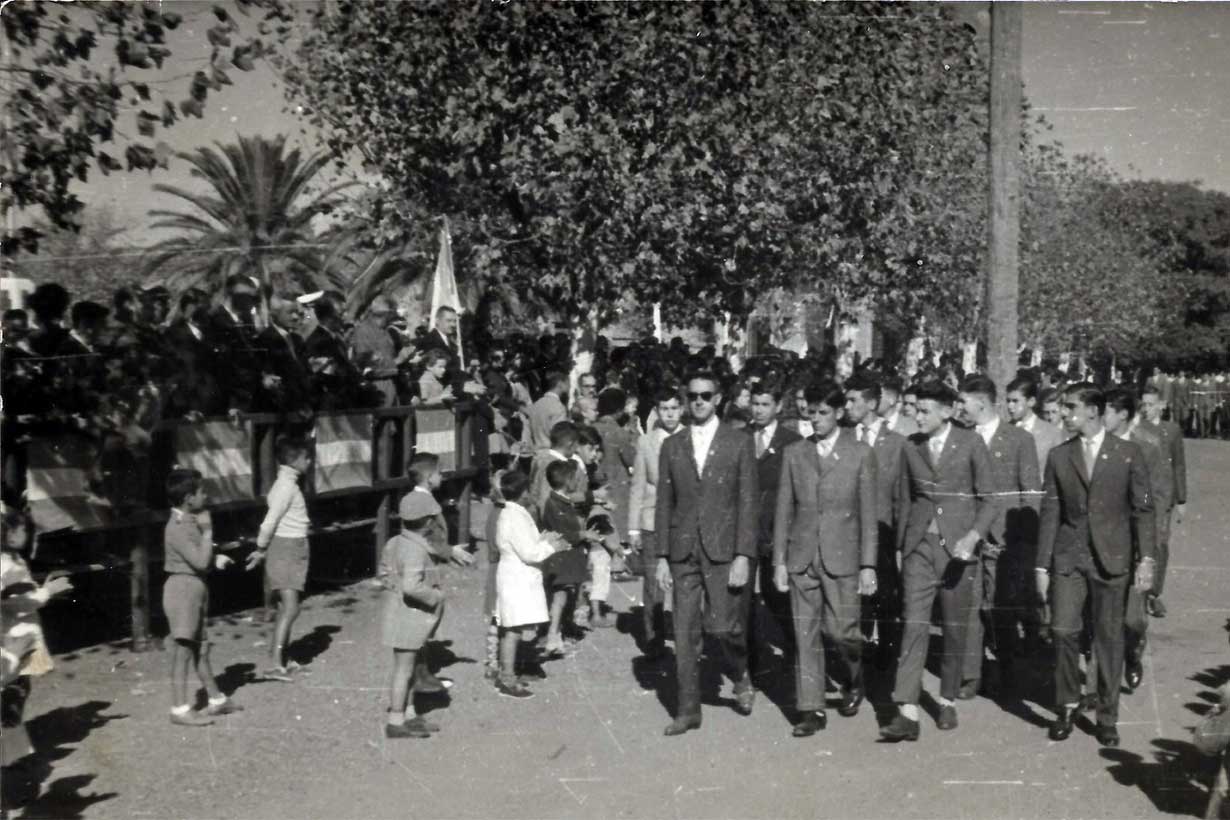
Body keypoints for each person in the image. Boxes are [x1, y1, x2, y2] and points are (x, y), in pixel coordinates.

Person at [1036, 383, 1154, 748]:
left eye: (1070, 406)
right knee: (1062, 631)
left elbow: (1143, 510)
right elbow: (1051, 512)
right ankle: (1067, 704)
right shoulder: (1060, 456)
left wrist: (1146, 558)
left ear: (1092, 410)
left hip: (1112, 559)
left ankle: (1107, 716)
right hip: (1069, 558)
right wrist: (1042, 566)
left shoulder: (1129, 453)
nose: (1063, 412)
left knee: (1108, 639)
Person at [882, 380, 995, 741]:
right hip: (919, 549)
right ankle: (907, 710)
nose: (916, 416)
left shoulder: (971, 442)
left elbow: (990, 499)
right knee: (913, 625)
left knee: (952, 627)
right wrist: (902, 547)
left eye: (924, 410)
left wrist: (972, 537)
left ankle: (947, 699)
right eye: (914, 409)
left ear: (947, 412)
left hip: (957, 552)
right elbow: (903, 500)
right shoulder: (910, 447)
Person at [654, 371, 759, 736]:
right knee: (684, 631)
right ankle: (687, 710)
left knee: (722, 626)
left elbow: (747, 502)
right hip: (684, 550)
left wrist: (744, 554)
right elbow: (664, 503)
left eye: (705, 395)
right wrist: (663, 556)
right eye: (693, 395)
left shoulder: (739, 441)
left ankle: (741, 674)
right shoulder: (673, 444)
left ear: (718, 399)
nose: (698, 401)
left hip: (723, 550)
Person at [772, 383, 878, 737]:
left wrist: (868, 565)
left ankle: (853, 676)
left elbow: (868, 513)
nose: (815, 419)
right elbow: (784, 511)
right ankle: (811, 709)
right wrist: (779, 561)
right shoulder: (795, 453)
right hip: (802, 557)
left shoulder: (860, 453)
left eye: (822, 413)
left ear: (838, 414)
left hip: (843, 557)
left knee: (842, 632)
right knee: (805, 635)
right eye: (811, 412)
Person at [956, 374, 1041, 697]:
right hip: (967, 535)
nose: (960, 407)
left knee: (1001, 609)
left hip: (1003, 539)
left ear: (980, 402)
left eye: (964, 401)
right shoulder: (961, 438)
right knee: (970, 606)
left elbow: (1030, 493)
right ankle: (970, 674)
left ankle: (1007, 670)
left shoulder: (1019, 440)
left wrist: (1022, 543)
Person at [161, 469, 246, 726]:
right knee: (184, 650)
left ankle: (216, 700)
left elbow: (200, 557)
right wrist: (209, 533)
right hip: (183, 590)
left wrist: (215, 558)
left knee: (201, 650)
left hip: (194, 588)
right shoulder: (177, 527)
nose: (205, 495)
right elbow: (198, 559)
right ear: (189, 498)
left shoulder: (188, 520)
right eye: (201, 491)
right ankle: (179, 708)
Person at [1101, 388, 1170, 696]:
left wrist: (1151, 548)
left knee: (1132, 616)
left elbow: (1158, 496)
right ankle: (1099, 683)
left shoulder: (1149, 444)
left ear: (1123, 415)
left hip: (1137, 540)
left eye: (1105, 412)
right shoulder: (1096, 443)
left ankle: (1133, 652)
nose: (1099, 418)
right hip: (1103, 538)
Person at [1, 503, 72, 772]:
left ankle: (15, 752)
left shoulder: (14, 560)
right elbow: (16, 601)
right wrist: (47, 593)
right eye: (21, 529)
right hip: (13, 635)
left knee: (18, 690)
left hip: (22, 631)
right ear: (6, 533)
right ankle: (11, 755)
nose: (27, 533)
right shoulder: (5, 564)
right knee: (13, 692)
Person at [843, 376, 908, 665]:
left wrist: (900, 543)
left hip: (883, 535)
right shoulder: (843, 438)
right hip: (845, 536)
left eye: (853, 400)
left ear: (871, 404)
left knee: (885, 601)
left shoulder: (897, 444)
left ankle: (886, 662)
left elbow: (902, 497)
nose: (847, 406)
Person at [745, 380, 803, 678]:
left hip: (776, 531)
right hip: (744, 532)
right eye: (755, 403)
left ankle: (798, 651)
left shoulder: (791, 441)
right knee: (743, 599)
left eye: (766, 404)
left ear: (778, 407)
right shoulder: (739, 437)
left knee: (776, 594)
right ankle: (752, 664)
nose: (759, 410)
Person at [493, 470, 566, 699]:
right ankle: (507, 678)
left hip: (519, 576)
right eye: (529, 489)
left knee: (518, 626)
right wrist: (553, 547)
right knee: (513, 629)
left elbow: (527, 545)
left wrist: (545, 539)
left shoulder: (516, 512)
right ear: (523, 492)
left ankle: (513, 670)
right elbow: (529, 553)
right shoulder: (514, 516)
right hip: (516, 577)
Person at [381, 491, 448, 739]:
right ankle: (396, 720)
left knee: (409, 668)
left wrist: (392, 585)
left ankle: (409, 714)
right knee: (404, 670)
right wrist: (435, 596)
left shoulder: (395, 542)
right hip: (408, 617)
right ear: (429, 522)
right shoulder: (415, 550)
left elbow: (384, 572)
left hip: (404, 616)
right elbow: (411, 586)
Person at [627, 387, 684, 659]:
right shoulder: (646, 442)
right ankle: (653, 638)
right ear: (657, 412)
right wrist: (633, 527)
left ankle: (686, 636)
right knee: (653, 582)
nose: (670, 414)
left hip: (684, 522)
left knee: (685, 581)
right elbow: (638, 485)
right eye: (665, 409)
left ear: (682, 409)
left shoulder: (692, 438)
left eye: (674, 408)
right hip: (652, 520)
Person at [251, 437, 313, 682]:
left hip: (293, 547)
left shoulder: (287, 484)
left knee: (286, 607)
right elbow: (270, 520)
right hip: (285, 549)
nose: (309, 462)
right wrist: (260, 547)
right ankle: (276, 664)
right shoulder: (285, 487)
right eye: (306, 458)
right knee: (291, 607)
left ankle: (283, 658)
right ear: (296, 460)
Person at [1138, 382, 1186, 619]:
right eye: (1143, 404)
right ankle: (1139, 593)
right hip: (1141, 495)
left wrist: (1182, 498)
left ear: (1161, 406)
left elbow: (1178, 463)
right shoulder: (1136, 430)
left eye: (1150, 405)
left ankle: (1154, 594)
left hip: (1163, 498)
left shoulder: (1172, 430)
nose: (1146, 409)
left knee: (1160, 545)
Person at [539, 460, 594, 656]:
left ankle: (556, 634)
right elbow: (563, 532)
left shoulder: (561, 501)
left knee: (562, 597)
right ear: (567, 481)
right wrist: (585, 535)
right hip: (561, 559)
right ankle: (553, 636)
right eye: (574, 478)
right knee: (559, 598)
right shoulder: (555, 504)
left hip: (566, 559)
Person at [592, 387, 637, 544]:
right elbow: (632, 459)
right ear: (619, 410)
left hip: (595, 484)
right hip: (616, 486)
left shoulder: (591, 428)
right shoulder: (619, 432)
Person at [1006, 375, 1066, 469]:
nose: (1010, 406)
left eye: (1015, 401)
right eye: (1008, 401)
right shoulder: (1004, 431)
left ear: (1031, 401)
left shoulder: (1053, 433)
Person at [528, 371, 570, 451]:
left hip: (536, 453)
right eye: (568, 384)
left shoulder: (536, 404)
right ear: (560, 384)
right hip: (551, 453)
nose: (569, 388)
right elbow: (560, 435)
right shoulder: (558, 406)